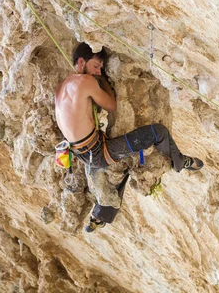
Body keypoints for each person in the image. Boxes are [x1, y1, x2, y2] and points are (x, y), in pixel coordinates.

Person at [54, 42, 203, 232]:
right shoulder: (87, 82)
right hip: (97, 152)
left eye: (100, 68)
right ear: (81, 61)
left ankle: (101, 215)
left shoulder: (61, 88)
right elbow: (112, 106)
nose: (98, 72)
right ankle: (181, 162)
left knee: (122, 166)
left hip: (81, 153)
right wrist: (106, 82)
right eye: (96, 66)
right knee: (158, 132)